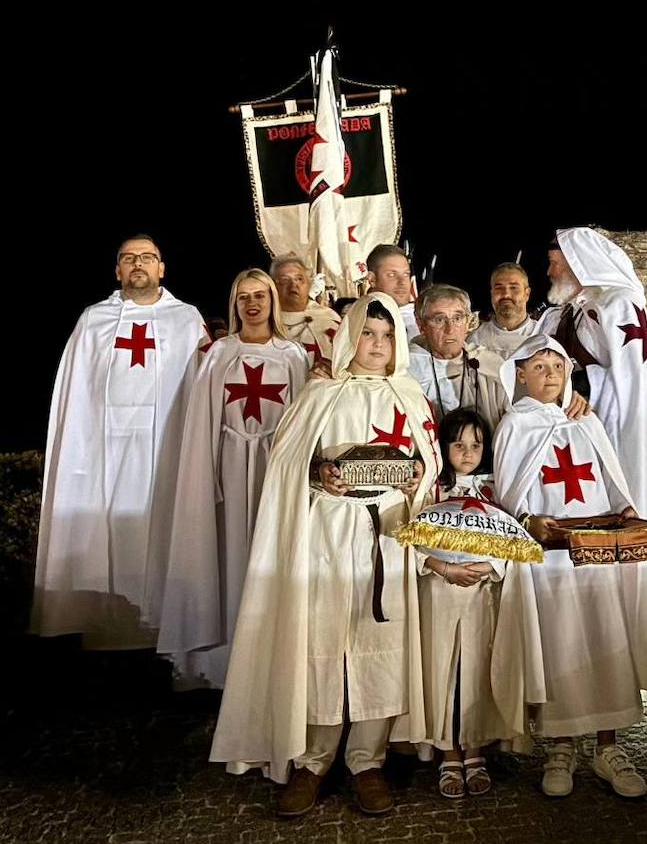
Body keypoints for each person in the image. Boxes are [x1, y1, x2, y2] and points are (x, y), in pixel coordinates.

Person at [210, 294, 440, 819]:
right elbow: (287, 467)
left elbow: (430, 469)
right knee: (320, 642)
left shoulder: (410, 396)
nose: (377, 346)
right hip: (327, 533)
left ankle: (368, 762)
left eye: (386, 336)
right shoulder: (318, 394)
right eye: (367, 334)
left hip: (389, 535)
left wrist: (415, 480)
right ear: (349, 336)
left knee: (382, 643)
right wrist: (317, 475)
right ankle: (313, 762)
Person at [494, 335, 647, 799]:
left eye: (557, 365)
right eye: (539, 366)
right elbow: (509, 497)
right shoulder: (514, 426)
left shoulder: (584, 420)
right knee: (561, 647)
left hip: (598, 555)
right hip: (550, 560)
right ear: (520, 374)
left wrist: (627, 509)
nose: (550, 374)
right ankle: (561, 747)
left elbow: (613, 478)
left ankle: (609, 748)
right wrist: (529, 520)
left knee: (605, 641)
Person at [537, 228, 647, 690]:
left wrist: (597, 410)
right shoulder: (565, 314)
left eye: (555, 262)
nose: (549, 271)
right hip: (575, 445)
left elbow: (632, 385)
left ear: (576, 261)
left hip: (613, 440)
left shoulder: (618, 306)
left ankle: (635, 653)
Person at [32, 234, 208, 649]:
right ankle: (105, 636)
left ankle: (167, 635)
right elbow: (74, 391)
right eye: (129, 258)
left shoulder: (187, 319)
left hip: (165, 448)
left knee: (163, 531)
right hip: (103, 452)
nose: (138, 264)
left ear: (161, 268)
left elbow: (204, 385)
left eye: (147, 257)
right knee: (103, 535)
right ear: (118, 270)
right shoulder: (93, 320)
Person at [156, 269, 311, 688]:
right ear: (235, 304)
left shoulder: (294, 355)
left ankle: (271, 661)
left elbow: (301, 421)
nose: (252, 304)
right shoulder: (220, 354)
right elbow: (202, 421)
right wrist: (206, 476)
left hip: (275, 468)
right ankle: (221, 664)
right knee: (227, 555)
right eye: (243, 298)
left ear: (272, 300)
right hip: (227, 463)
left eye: (260, 295)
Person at [418, 407, 509, 799]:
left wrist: (490, 563)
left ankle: (475, 749)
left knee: (477, 671)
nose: (468, 453)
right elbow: (411, 538)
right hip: (439, 593)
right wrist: (440, 566)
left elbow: (512, 537)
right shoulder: (431, 489)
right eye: (458, 445)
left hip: (481, 595)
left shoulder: (493, 489)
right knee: (442, 671)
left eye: (476, 445)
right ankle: (448, 752)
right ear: (444, 447)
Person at [408, 284, 511, 431]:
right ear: (421, 325)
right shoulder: (407, 368)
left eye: (457, 318)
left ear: (468, 322)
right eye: (439, 320)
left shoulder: (491, 365)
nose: (450, 329)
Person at [271, 254, 340, 362]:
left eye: (299, 279)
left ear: (308, 284)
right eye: (285, 280)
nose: (294, 284)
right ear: (273, 286)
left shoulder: (330, 317)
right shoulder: (267, 323)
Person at [468, 262, 539, 358]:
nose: (506, 294)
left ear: (527, 294)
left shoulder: (542, 335)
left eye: (513, 288)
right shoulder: (475, 339)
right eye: (499, 288)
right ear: (492, 293)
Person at [365, 243, 419, 339]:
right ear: (372, 279)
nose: (402, 282)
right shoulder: (359, 320)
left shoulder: (426, 319)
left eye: (406, 274)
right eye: (392, 275)